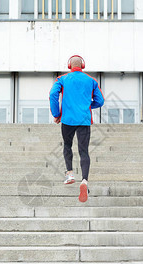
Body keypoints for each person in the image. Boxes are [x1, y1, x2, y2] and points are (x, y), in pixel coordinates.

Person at [49, 55, 104, 202]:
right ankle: (84, 180)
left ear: (69, 66)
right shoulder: (91, 81)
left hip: (67, 120)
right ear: (83, 65)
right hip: (84, 120)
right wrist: (87, 106)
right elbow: (100, 101)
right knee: (84, 150)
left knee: (67, 146)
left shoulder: (62, 79)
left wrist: (56, 113)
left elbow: (53, 94)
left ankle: (70, 174)